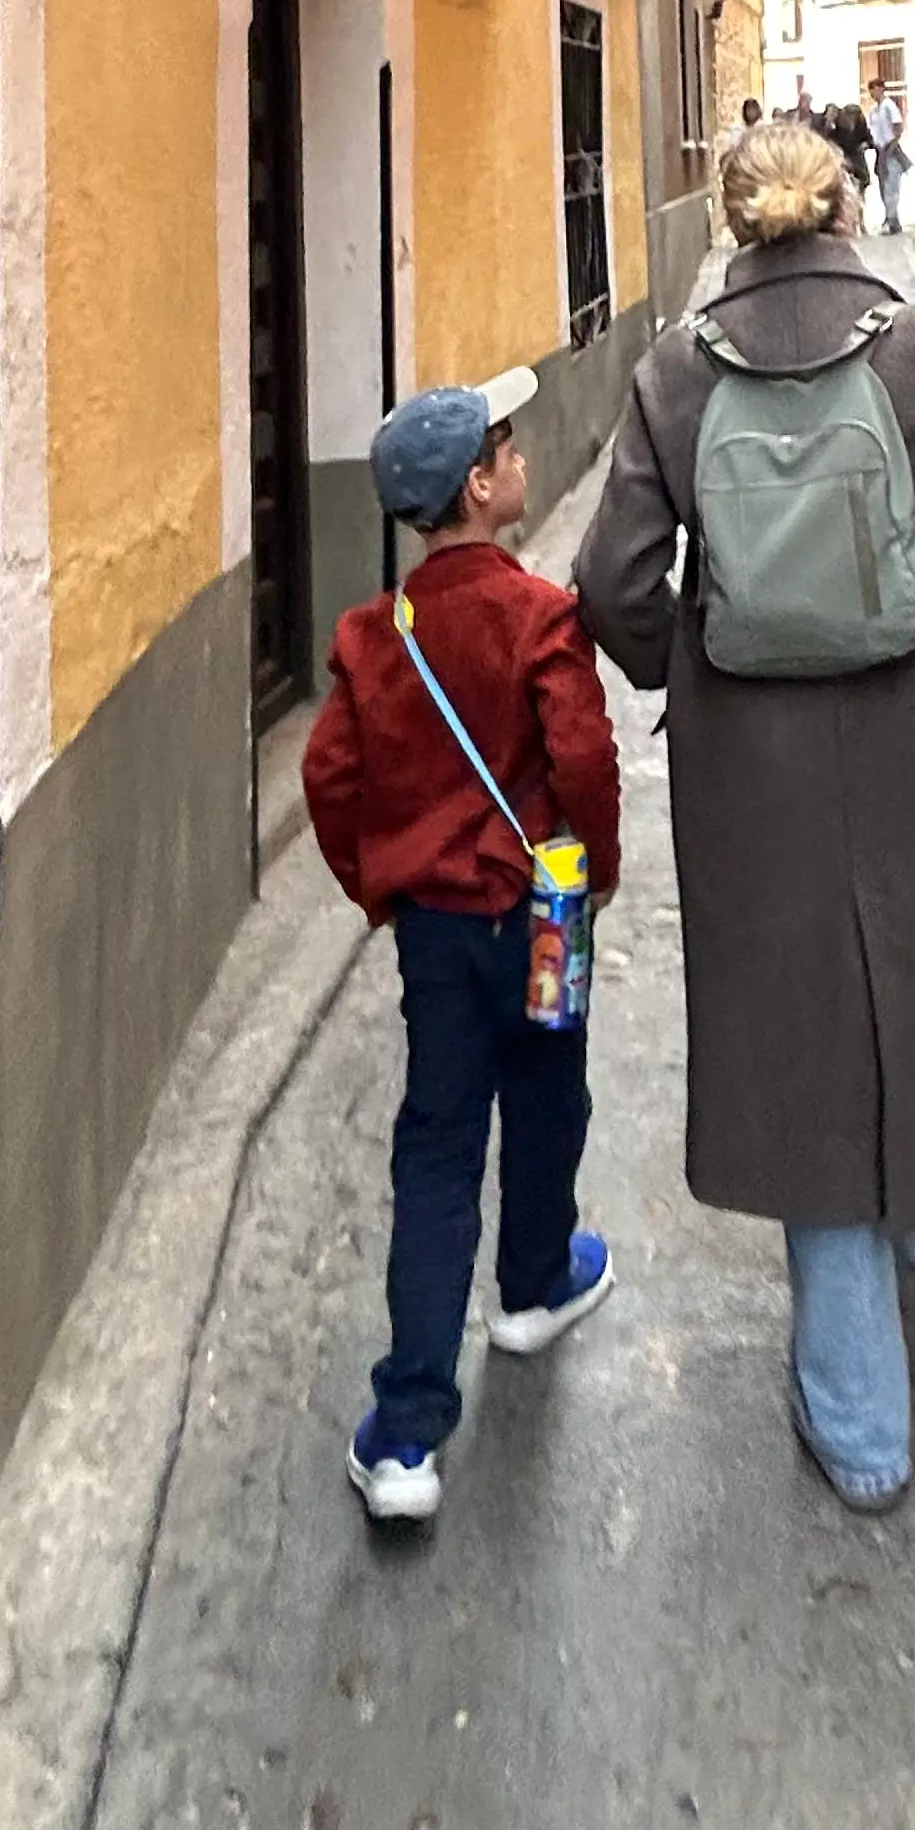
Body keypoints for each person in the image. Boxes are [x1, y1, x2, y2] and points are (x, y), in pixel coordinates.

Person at [574, 121, 915, 1509]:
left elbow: (612, 581)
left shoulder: (675, 375)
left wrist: (684, 662)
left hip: (753, 763)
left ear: (733, 223)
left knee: (795, 1031)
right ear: (846, 206)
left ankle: (860, 1426)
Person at [304, 364, 622, 1525]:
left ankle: (406, 1432)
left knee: (437, 1151)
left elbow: (329, 779)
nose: (522, 458)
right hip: (541, 915)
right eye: (508, 447)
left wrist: (380, 886)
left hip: (436, 934)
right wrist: (596, 867)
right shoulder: (541, 617)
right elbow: (582, 757)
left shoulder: (372, 635)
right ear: (479, 488)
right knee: (550, 1094)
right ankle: (534, 1286)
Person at [866, 82, 910, 235]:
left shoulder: (889, 106)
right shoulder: (873, 110)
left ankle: (891, 220)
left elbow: (898, 126)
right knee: (883, 187)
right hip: (880, 151)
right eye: (870, 90)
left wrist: (892, 145)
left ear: (881, 89)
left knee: (891, 187)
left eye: (874, 89)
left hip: (890, 149)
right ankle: (891, 219)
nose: (872, 93)